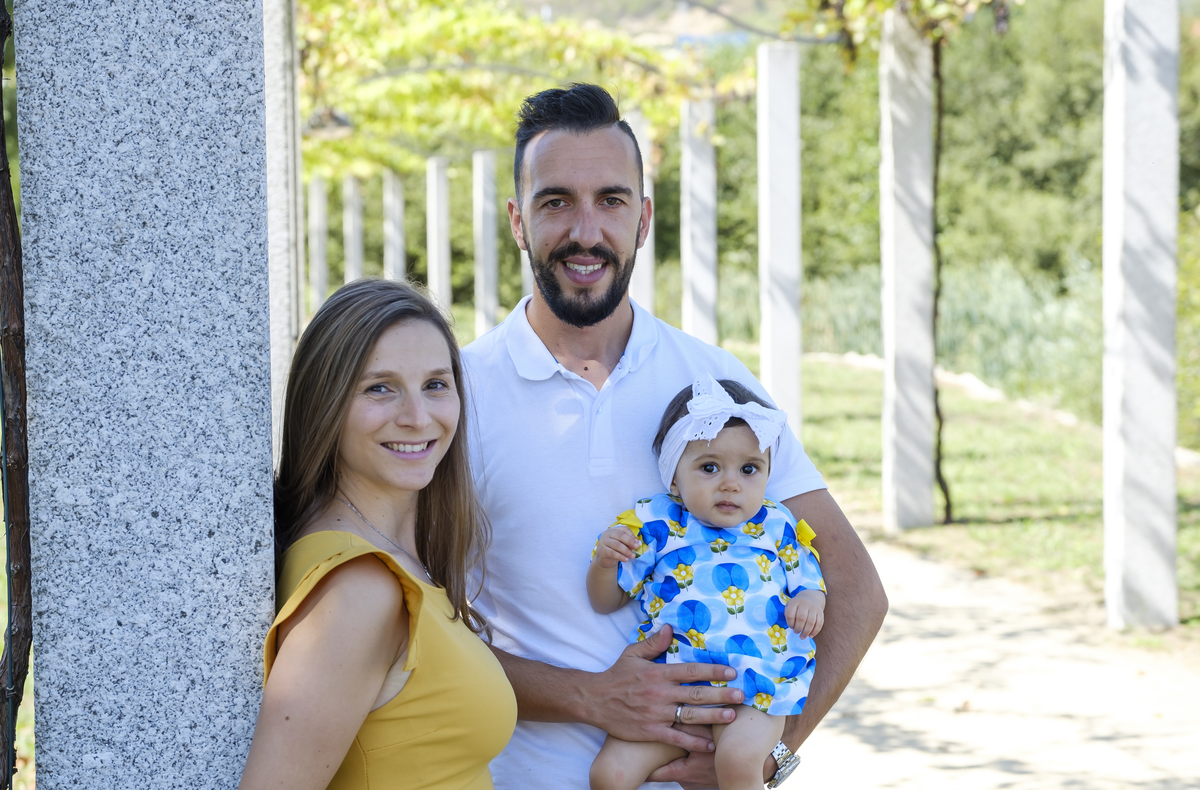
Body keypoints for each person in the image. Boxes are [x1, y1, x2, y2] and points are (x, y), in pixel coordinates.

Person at [463, 83, 888, 790]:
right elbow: (415, 629)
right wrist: (587, 696)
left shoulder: (716, 385)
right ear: (516, 220)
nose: (586, 230)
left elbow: (855, 587)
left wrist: (764, 755)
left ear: (645, 218)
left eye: (612, 200)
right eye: (555, 201)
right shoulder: (458, 395)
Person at [239, 280, 516, 790]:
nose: (417, 417)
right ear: (326, 404)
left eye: (436, 384)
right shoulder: (360, 590)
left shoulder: (392, 562)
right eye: (379, 388)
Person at [586, 375, 826, 790]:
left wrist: (810, 599)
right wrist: (606, 563)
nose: (731, 482)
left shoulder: (775, 523)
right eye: (710, 467)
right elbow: (605, 600)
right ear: (674, 477)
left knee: (737, 760)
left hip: (755, 685)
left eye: (749, 469)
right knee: (609, 774)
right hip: (670, 688)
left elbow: (809, 578)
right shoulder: (655, 523)